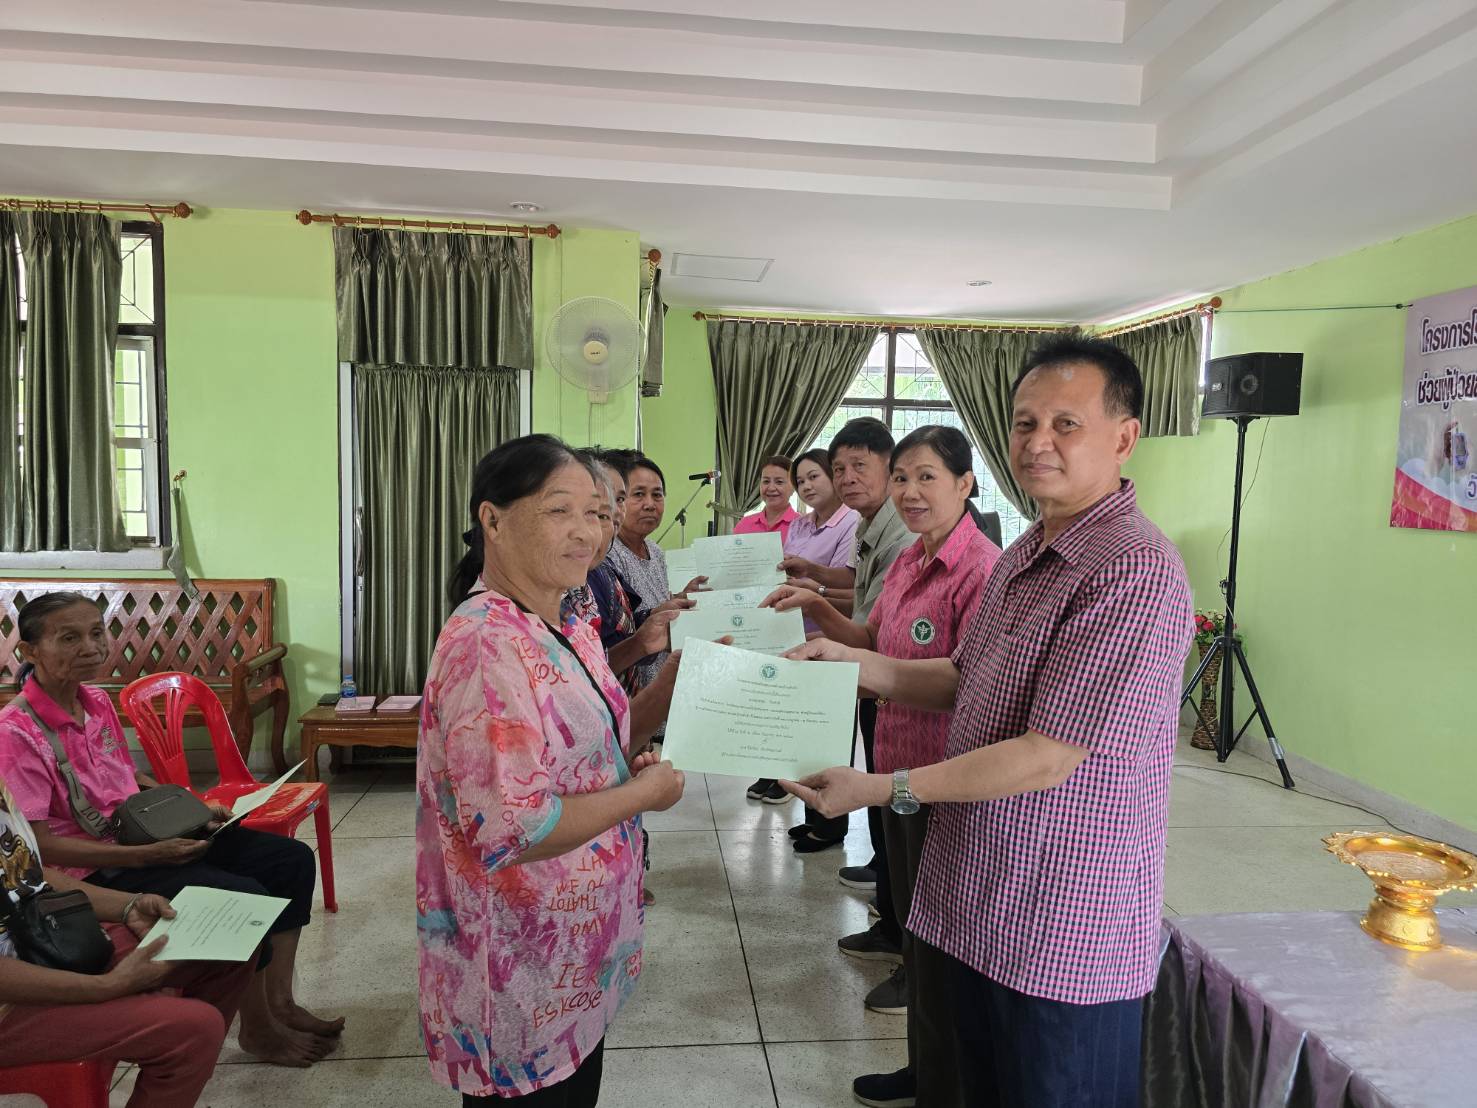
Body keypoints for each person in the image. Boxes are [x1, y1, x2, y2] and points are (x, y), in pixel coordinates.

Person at [784, 334, 1194, 1108]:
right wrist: (853, 662)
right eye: (1023, 423)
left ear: (1123, 437)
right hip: (977, 887)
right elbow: (961, 678)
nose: (1037, 443)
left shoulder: (1132, 570)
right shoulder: (1027, 551)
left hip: (1058, 914)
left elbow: (1046, 755)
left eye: (1065, 424)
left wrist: (881, 787)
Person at [418, 433, 686, 1105]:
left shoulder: (565, 621)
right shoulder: (487, 645)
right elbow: (514, 828)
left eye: (596, 513)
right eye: (559, 510)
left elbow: (600, 748)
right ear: (493, 519)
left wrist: (675, 686)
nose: (585, 532)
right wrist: (642, 795)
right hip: (520, 965)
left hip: (578, 948)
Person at [0, 592, 343, 1069]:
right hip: (94, 870)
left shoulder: (95, 702)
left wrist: (190, 810)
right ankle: (258, 1027)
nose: (90, 647)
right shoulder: (15, 733)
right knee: (243, 895)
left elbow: (129, 779)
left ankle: (280, 1001)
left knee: (289, 860)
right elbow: (37, 847)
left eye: (97, 633)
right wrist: (144, 856)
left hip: (142, 839)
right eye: (69, 638)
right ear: (29, 650)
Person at [767, 425, 1000, 1106]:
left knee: (944, 942)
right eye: (902, 477)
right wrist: (818, 610)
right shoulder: (908, 560)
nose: (910, 491)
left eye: (927, 477)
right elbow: (871, 639)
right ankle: (924, 1070)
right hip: (892, 771)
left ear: (964, 483)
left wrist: (856, 661)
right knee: (916, 931)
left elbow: (967, 683)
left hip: (941, 781)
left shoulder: (981, 571)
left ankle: (947, 1081)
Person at [0, 774, 255, 1108]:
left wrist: (129, 906)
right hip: (9, 1002)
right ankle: (170, 1041)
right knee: (194, 1030)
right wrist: (107, 987)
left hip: (39, 941)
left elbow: (29, 873)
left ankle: (172, 1061)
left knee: (226, 942)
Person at [744, 448, 859, 804]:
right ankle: (779, 775)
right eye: (801, 480)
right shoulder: (800, 524)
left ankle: (820, 807)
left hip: (829, 630)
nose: (806, 486)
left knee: (820, 721)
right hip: (790, 627)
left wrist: (812, 587)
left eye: (814, 477)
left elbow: (850, 584)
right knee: (785, 709)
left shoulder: (851, 522)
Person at [732, 454, 799, 539]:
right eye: (766, 481)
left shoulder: (804, 526)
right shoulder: (744, 524)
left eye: (779, 482)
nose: (771, 488)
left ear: (794, 487)